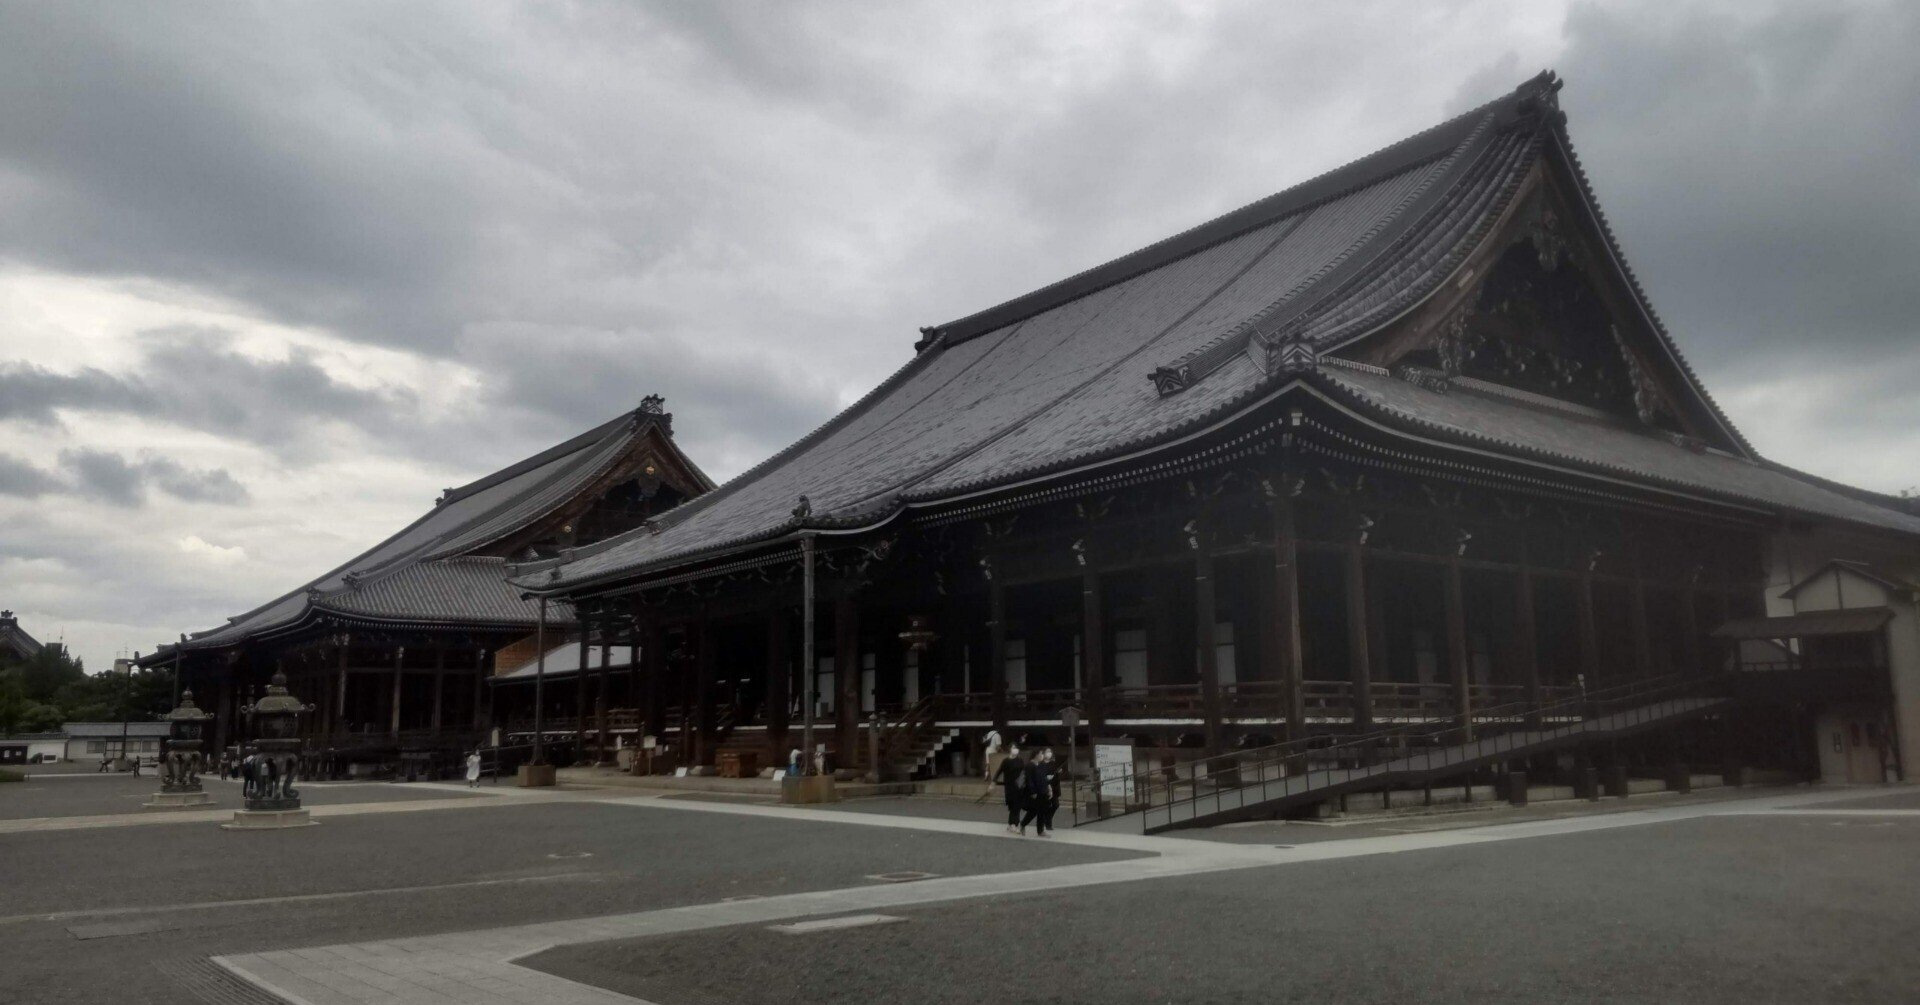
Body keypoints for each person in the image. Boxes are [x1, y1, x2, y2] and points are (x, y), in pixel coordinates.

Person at [1019, 748, 1057, 837]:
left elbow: (1044, 778)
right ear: (1036, 755)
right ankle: (1024, 824)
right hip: (1035, 792)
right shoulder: (1030, 765)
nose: (1042, 756)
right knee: (1034, 810)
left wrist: (1049, 788)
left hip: (1043, 791)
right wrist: (1033, 792)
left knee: (1042, 811)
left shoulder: (1041, 765)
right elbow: (1029, 780)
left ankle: (1040, 830)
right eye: (1041, 754)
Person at [992, 747, 1028, 833]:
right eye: (1013, 747)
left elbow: (1023, 772)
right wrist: (994, 781)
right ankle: (1013, 825)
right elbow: (999, 771)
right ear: (1010, 749)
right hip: (1010, 787)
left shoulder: (1020, 760)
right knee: (1013, 806)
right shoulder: (1006, 761)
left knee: (1017, 806)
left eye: (1016, 748)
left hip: (1019, 786)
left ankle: (1011, 824)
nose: (1015, 749)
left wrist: (1025, 782)